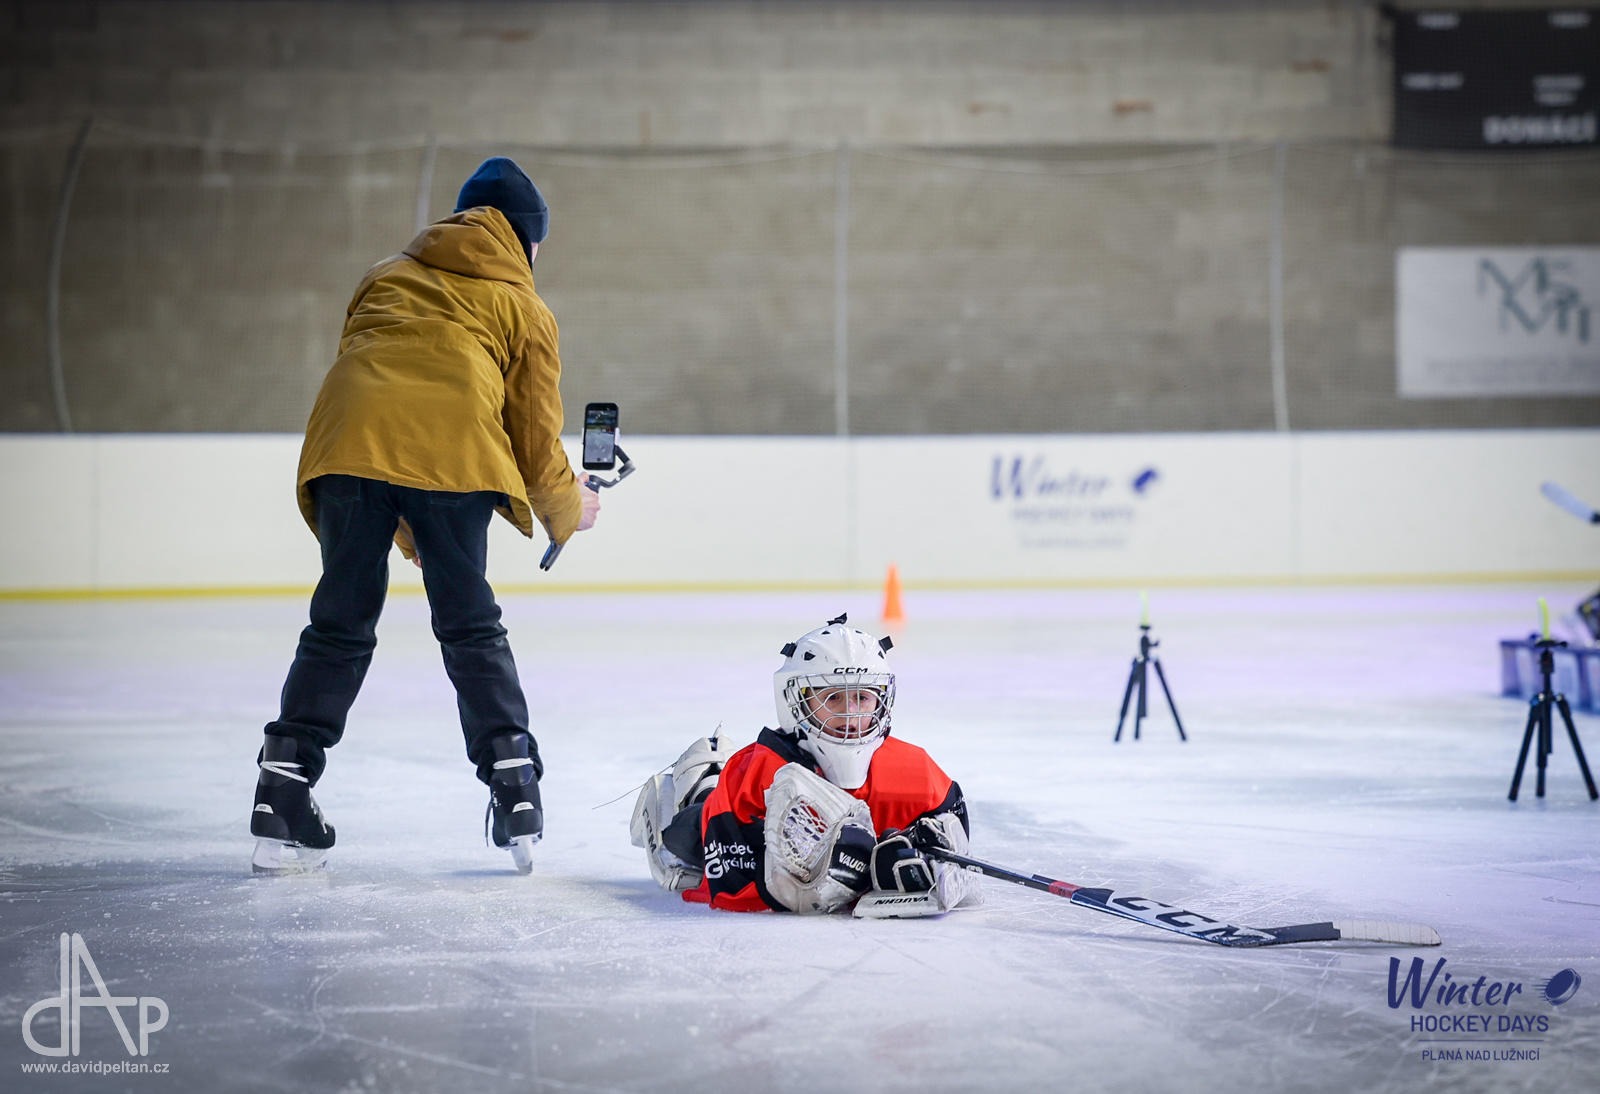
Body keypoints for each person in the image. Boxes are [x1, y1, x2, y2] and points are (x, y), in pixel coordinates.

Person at [249, 156, 600, 876]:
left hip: (345, 443)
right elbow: (536, 445)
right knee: (469, 623)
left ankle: (281, 787)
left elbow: (379, 397)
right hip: (454, 451)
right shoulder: (525, 307)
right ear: (526, 241)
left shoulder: (384, 274)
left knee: (339, 620)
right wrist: (572, 510)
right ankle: (515, 785)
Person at [630, 614, 982, 917]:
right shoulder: (753, 776)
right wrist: (846, 878)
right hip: (711, 828)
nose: (850, 713)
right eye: (833, 697)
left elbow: (960, 867)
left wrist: (927, 859)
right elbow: (729, 890)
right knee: (688, 838)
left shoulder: (920, 775)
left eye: (862, 697)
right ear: (795, 701)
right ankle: (700, 783)